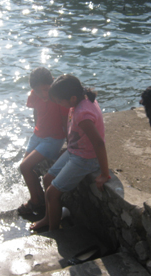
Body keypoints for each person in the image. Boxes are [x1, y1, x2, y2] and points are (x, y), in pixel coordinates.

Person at [30, 74, 110, 231]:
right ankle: (48, 218)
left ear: (73, 98)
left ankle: (54, 232)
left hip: (85, 158)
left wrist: (104, 174)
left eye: (60, 101)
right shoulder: (82, 97)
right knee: (47, 179)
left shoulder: (83, 115)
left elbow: (99, 143)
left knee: (52, 194)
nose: (59, 104)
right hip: (75, 151)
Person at [19, 67, 69, 215]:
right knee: (25, 167)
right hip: (38, 135)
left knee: (24, 166)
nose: (43, 94)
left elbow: (66, 120)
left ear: (52, 82)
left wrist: (70, 143)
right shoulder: (35, 95)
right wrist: (37, 128)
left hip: (53, 138)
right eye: (38, 91)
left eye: (46, 90)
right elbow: (36, 111)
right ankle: (39, 197)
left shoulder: (58, 96)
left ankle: (36, 201)